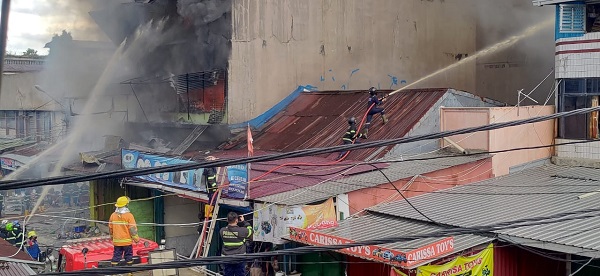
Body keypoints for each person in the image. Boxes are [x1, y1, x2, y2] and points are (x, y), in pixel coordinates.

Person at [108, 196, 139, 267]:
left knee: (116, 257)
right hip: (127, 242)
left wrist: (112, 237)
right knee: (128, 257)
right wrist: (136, 239)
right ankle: (129, 272)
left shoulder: (113, 215)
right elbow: (132, 229)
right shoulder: (129, 215)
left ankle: (113, 273)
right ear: (126, 205)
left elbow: (110, 228)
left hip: (117, 242)